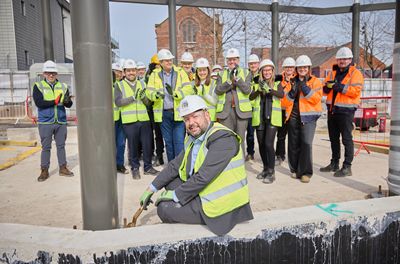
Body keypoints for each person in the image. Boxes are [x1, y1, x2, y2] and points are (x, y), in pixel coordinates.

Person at [139, 95, 253, 236]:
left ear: (206, 115)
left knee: (163, 209)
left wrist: (175, 195)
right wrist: (151, 189)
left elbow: (203, 177)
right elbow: (175, 165)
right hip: (206, 190)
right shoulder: (195, 137)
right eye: (186, 119)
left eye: (195, 117)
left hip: (223, 205)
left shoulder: (223, 138)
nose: (191, 123)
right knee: (170, 183)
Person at [320, 47, 364, 177]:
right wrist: (327, 87)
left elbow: (355, 91)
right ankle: (334, 163)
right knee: (333, 139)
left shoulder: (356, 73)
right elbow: (324, 90)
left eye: (345, 59)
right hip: (332, 110)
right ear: (337, 60)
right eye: (340, 59)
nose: (342, 61)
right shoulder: (332, 73)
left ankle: (347, 166)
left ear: (350, 60)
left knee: (346, 139)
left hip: (346, 111)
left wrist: (336, 86)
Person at [114, 59, 159, 179]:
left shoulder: (143, 84)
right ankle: (135, 168)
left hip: (144, 119)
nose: (131, 73)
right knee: (133, 146)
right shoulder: (119, 85)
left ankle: (148, 167)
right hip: (129, 121)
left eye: (133, 70)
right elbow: (118, 102)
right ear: (124, 72)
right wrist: (133, 98)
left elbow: (148, 103)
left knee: (147, 144)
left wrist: (144, 98)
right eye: (128, 71)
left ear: (135, 71)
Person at [147, 49, 192, 163]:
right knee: (169, 143)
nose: (169, 62)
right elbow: (149, 92)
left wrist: (176, 94)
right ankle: (172, 167)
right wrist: (156, 95)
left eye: (170, 60)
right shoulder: (154, 75)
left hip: (179, 112)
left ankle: (180, 166)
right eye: (166, 61)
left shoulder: (180, 72)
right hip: (163, 114)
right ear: (160, 63)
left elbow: (188, 89)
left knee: (178, 142)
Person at [32, 60, 74, 182]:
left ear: (56, 73)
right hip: (46, 122)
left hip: (60, 121)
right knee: (46, 147)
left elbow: (69, 105)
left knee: (61, 146)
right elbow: (38, 102)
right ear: (44, 73)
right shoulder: (38, 86)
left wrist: (67, 101)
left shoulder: (63, 86)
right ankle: (44, 170)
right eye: (49, 73)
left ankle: (63, 167)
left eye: (53, 73)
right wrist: (54, 102)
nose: (51, 75)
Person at [284, 55, 322, 183]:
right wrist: (292, 91)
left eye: (305, 67)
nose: (302, 69)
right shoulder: (292, 81)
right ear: (297, 68)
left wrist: (305, 87)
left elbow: (316, 99)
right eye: (300, 67)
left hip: (308, 117)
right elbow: (284, 101)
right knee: (293, 143)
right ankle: (294, 170)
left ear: (309, 68)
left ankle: (306, 172)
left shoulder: (315, 81)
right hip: (293, 116)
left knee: (306, 143)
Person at [249, 59, 284, 184]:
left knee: (269, 144)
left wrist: (269, 90)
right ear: (261, 71)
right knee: (262, 145)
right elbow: (251, 97)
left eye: (269, 70)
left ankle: (271, 172)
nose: (267, 72)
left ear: (272, 71)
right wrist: (259, 89)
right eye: (265, 70)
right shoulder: (256, 82)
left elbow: (281, 94)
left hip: (272, 118)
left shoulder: (277, 81)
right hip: (260, 118)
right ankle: (265, 168)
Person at [214, 48, 253, 154]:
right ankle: (228, 166)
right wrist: (228, 82)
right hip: (225, 112)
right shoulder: (221, 74)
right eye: (230, 60)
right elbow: (218, 90)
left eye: (234, 59)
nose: (232, 62)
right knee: (226, 140)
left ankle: (240, 165)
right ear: (227, 61)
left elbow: (247, 90)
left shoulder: (246, 73)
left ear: (238, 61)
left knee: (240, 140)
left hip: (241, 112)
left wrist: (237, 80)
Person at [143, 55, 164, 166]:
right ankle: (152, 153)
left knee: (159, 134)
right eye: (155, 64)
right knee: (151, 134)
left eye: (158, 64)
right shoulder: (148, 75)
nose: (157, 66)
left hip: (159, 108)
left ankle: (160, 154)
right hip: (150, 109)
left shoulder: (161, 74)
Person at [275, 57, 296, 166]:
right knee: (281, 135)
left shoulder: (297, 79)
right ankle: (280, 155)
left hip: (292, 111)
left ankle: (293, 157)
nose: (289, 69)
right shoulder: (278, 79)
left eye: (291, 67)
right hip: (281, 111)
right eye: (287, 67)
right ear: (283, 67)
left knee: (293, 136)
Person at [112, 62, 129, 174]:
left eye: (118, 72)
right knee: (110, 143)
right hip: (111, 119)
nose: (116, 74)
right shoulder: (106, 86)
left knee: (121, 143)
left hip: (122, 117)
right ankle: (110, 164)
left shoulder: (124, 85)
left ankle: (119, 164)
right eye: (114, 72)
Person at [245, 54, 260, 162]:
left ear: (258, 64)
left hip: (259, 108)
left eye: (255, 63)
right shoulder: (246, 75)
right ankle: (250, 153)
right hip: (248, 108)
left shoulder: (262, 75)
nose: (253, 65)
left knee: (260, 133)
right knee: (250, 133)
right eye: (251, 64)